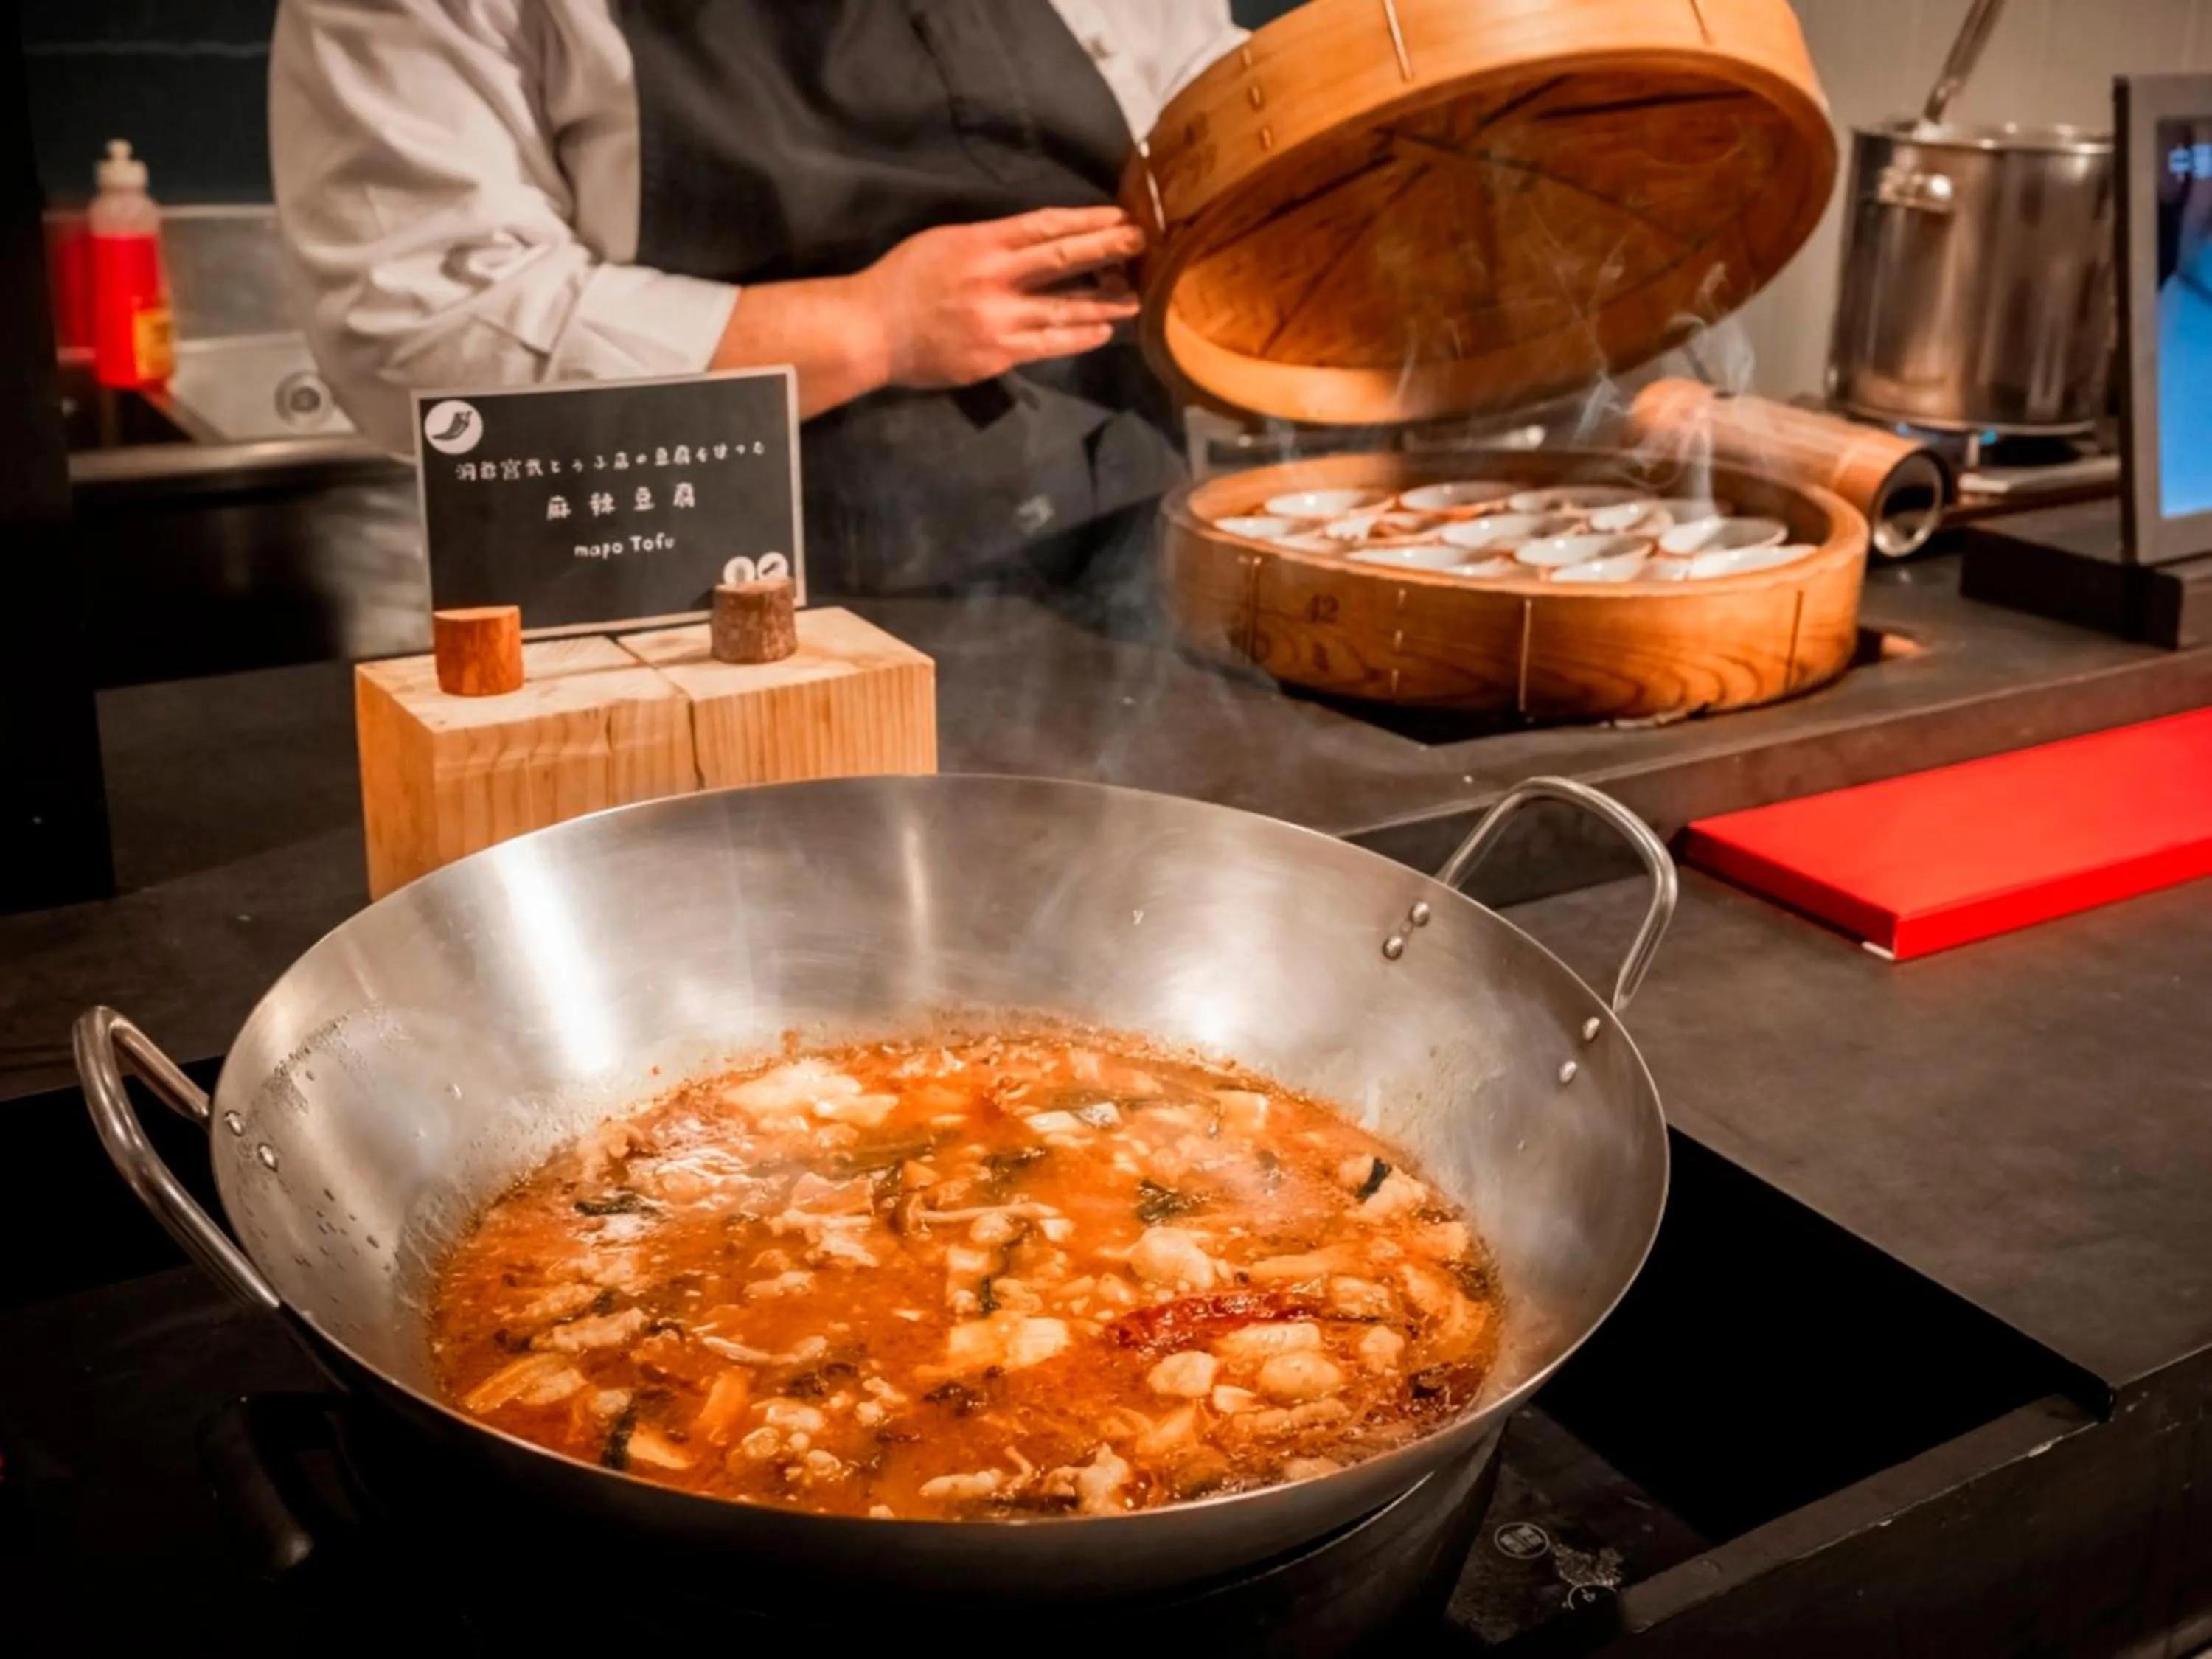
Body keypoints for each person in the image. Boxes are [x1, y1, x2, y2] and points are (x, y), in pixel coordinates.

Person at [268, 2, 1243, 594]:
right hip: (687, 606)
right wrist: (875, 328)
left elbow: (1211, 108)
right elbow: (417, 329)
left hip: (1116, 566)